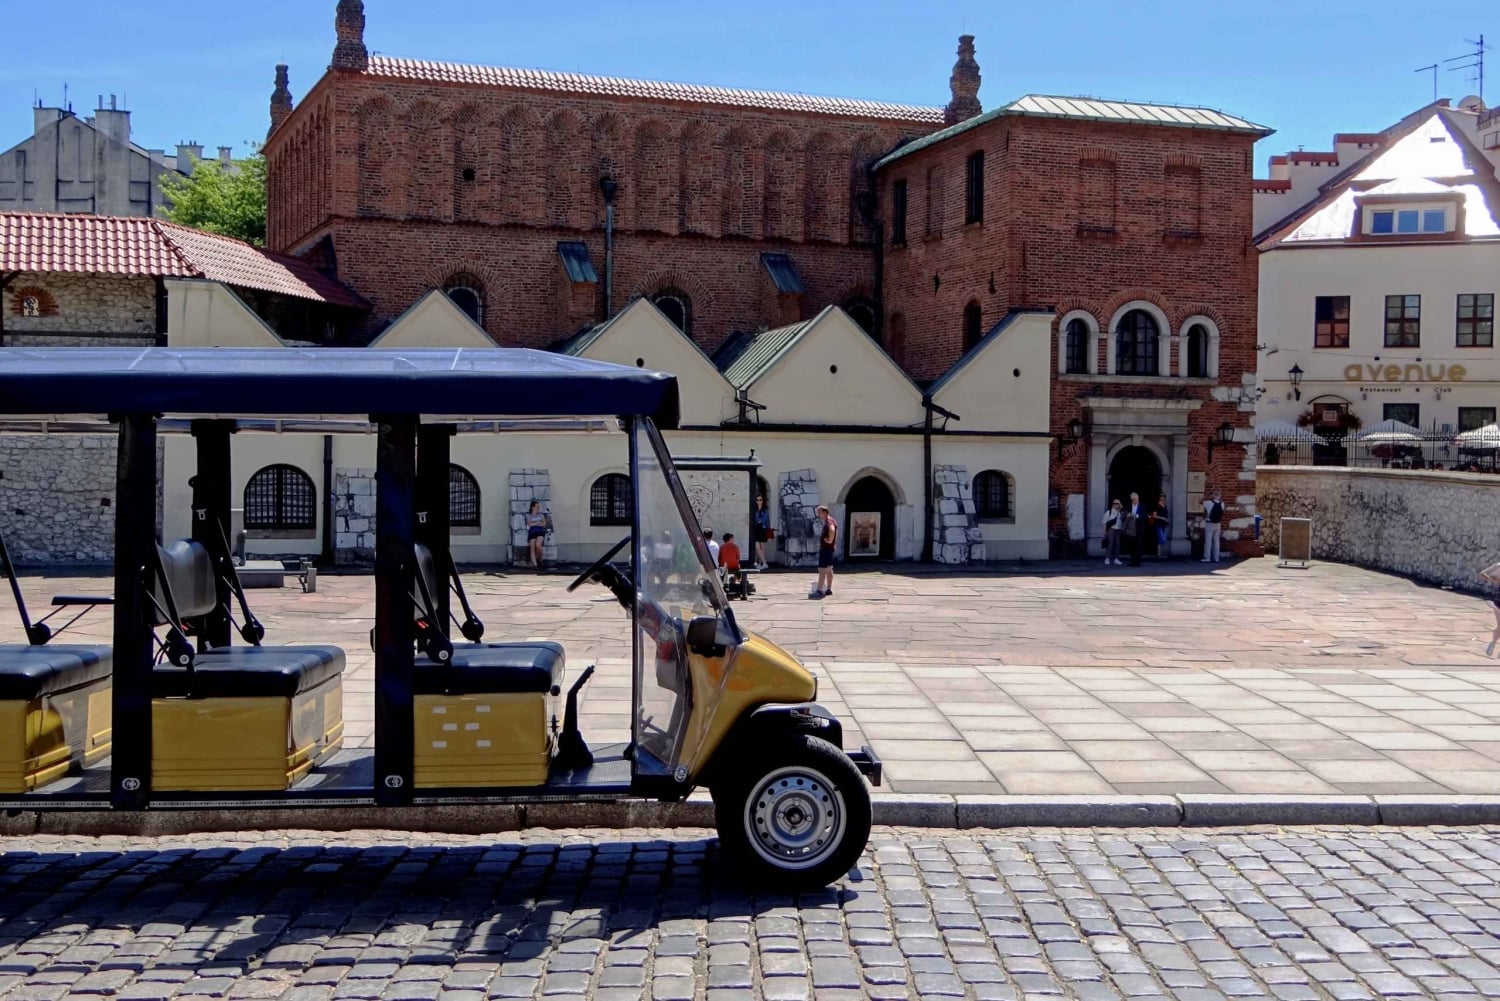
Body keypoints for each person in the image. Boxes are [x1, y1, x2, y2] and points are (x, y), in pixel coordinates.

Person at [812, 504, 837, 599]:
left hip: (826, 549)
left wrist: (830, 540)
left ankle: (819, 590)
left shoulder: (829, 521)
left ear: (825, 512)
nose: (818, 514)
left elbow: (832, 529)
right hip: (829, 549)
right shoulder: (831, 520)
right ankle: (828, 589)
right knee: (829, 569)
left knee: (822, 570)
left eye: (819, 512)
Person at [1201, 489, 1224, 563]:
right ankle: (1216, 558)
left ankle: (1207, 557)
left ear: (1212, 495)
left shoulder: (1208, 503)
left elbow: (1200, 501)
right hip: (1218, 523)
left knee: (1208, 541)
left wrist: (1207, 495)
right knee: (1216, 541)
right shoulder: (1222, 504)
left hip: (1210, 523)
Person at [1482, 562, 1500, 657]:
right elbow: (1483, 574)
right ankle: (1492, 644)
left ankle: (1492, 644)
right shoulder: (1498, 565)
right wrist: (1494, 580)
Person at [525, 500, 548, 569]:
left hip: (540, 531)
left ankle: (540, 559)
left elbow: (544, 524)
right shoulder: (529, 515)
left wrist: (535, 523)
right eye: (537, 506)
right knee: (532, 547)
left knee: (538, 545)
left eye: (538, 506)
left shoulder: (541, 515)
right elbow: (530, 524)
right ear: (533, 507)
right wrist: (538, 522)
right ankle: (535, 565)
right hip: (532, 532)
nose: (538, 508)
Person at [1124, 491, 1144, 567]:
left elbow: (1144, 516)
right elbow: (1125, 513)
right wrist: (1128, 514)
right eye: (1132, 500)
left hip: (1139, 528)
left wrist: (1136, 515)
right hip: (1130, 528)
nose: (1134, 501)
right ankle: (1132, 561)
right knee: (1132, 546)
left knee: (1138, 546)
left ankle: (1138, 562)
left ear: (1137, 499)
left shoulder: (1142, 506)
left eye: (1135, 499)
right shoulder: (1129, 505)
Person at [1101, 499, 1123, 566]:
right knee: (1109, 544)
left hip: (1118, 529)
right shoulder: (1109, 512)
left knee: (1117, 544)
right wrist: (1104, 532)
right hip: (1111, 529)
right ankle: (1107, 558)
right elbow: (1104, 522)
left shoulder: (1120, 513)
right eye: (1115, 503)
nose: (1116, 504)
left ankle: (1116, 558)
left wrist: (1120, 506)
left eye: (1117, 503)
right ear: (1112, 504)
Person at [752, 494, 771, 570]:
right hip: (756, 529)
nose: (759, 501)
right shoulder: (754, 509)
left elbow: (766, 520)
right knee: (757, 547)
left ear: (763, 501)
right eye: (758, 500)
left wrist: (768, 532)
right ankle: (764, 563)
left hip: (763, 529)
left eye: (760, 500)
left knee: (762, 547)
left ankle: (762, 563)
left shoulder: (765, 510)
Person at [1151, 493, 1170, 560]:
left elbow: (1166, 514)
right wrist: (1163, 518)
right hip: (1158, 524)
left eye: (1164, 496)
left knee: (1160, 539)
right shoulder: (1157, 505)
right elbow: (1154, 515)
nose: (1163, 498)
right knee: (1162, 539)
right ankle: (1158, 554)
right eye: (1161, 496)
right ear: (1159, 497)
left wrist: (1167, 519)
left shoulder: (1165, 505)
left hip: (1164, 524)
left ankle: (1159, 554)